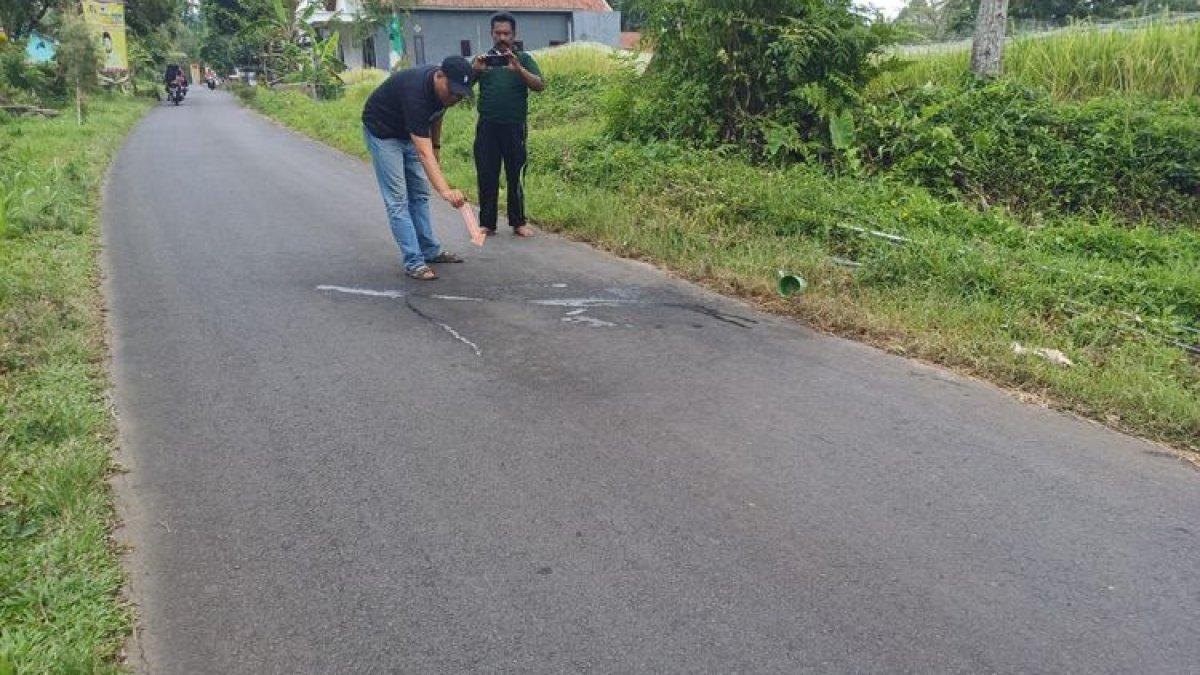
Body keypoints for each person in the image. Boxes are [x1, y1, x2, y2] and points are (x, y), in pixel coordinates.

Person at [362, 56, 475, 280]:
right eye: (452, 92)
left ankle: (430, 250)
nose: (454, 98)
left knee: (420, 194)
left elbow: (437, 116)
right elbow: (423, 154)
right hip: (384, 133)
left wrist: (437, 147)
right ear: (439, 76)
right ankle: (413, 261)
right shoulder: (416, 93)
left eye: (460, 95)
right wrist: (445, 190)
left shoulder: (445, 93)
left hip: (410, 133)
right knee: (397, 200)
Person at [471, 12, 544, 238]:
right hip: (487, 127)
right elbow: (463, 86)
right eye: (498, 33)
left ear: (514, 35)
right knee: (487, 174)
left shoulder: (524, 59)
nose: (502, 37)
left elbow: (540, 85)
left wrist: (519, 69)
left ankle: (518, 222)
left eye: (507, 33)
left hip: (514, 127)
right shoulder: (483, 60)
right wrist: (475, 70)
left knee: (516, 174)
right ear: (491, 33)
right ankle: (487, 223)